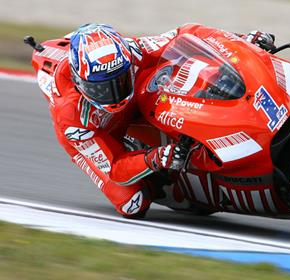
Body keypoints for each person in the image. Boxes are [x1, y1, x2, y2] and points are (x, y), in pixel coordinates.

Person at [51, 23, 275, 218]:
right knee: (133, 204)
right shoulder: (71, 116)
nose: (113, 94)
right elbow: (116, 168)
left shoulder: (134, 51)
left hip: (140, 100)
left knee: (181, 67)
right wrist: (158, 157)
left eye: (119, 80)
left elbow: (189, 33)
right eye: (100, 89)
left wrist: (240, 41)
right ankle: (172, 184)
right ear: (80, 82)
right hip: (99, 133)